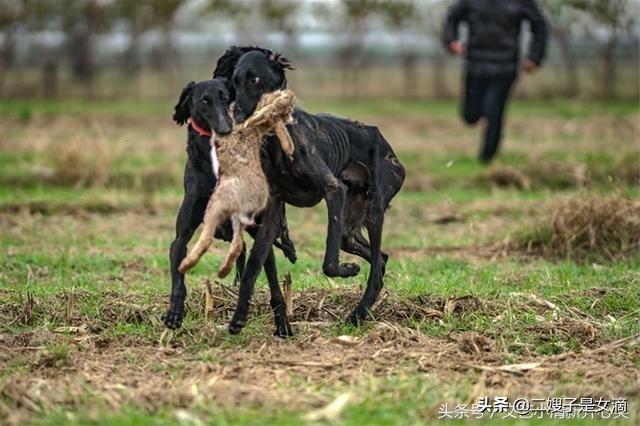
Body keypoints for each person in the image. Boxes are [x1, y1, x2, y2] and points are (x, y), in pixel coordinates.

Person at [442, 0, 548, 164]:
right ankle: (482, 115)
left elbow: (539, 25)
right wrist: (451, 41)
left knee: (493, 110)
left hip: (505, 67)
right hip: (475, 65)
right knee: (470, 116)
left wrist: (535, 57)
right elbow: (452, 18)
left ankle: (486, 158)